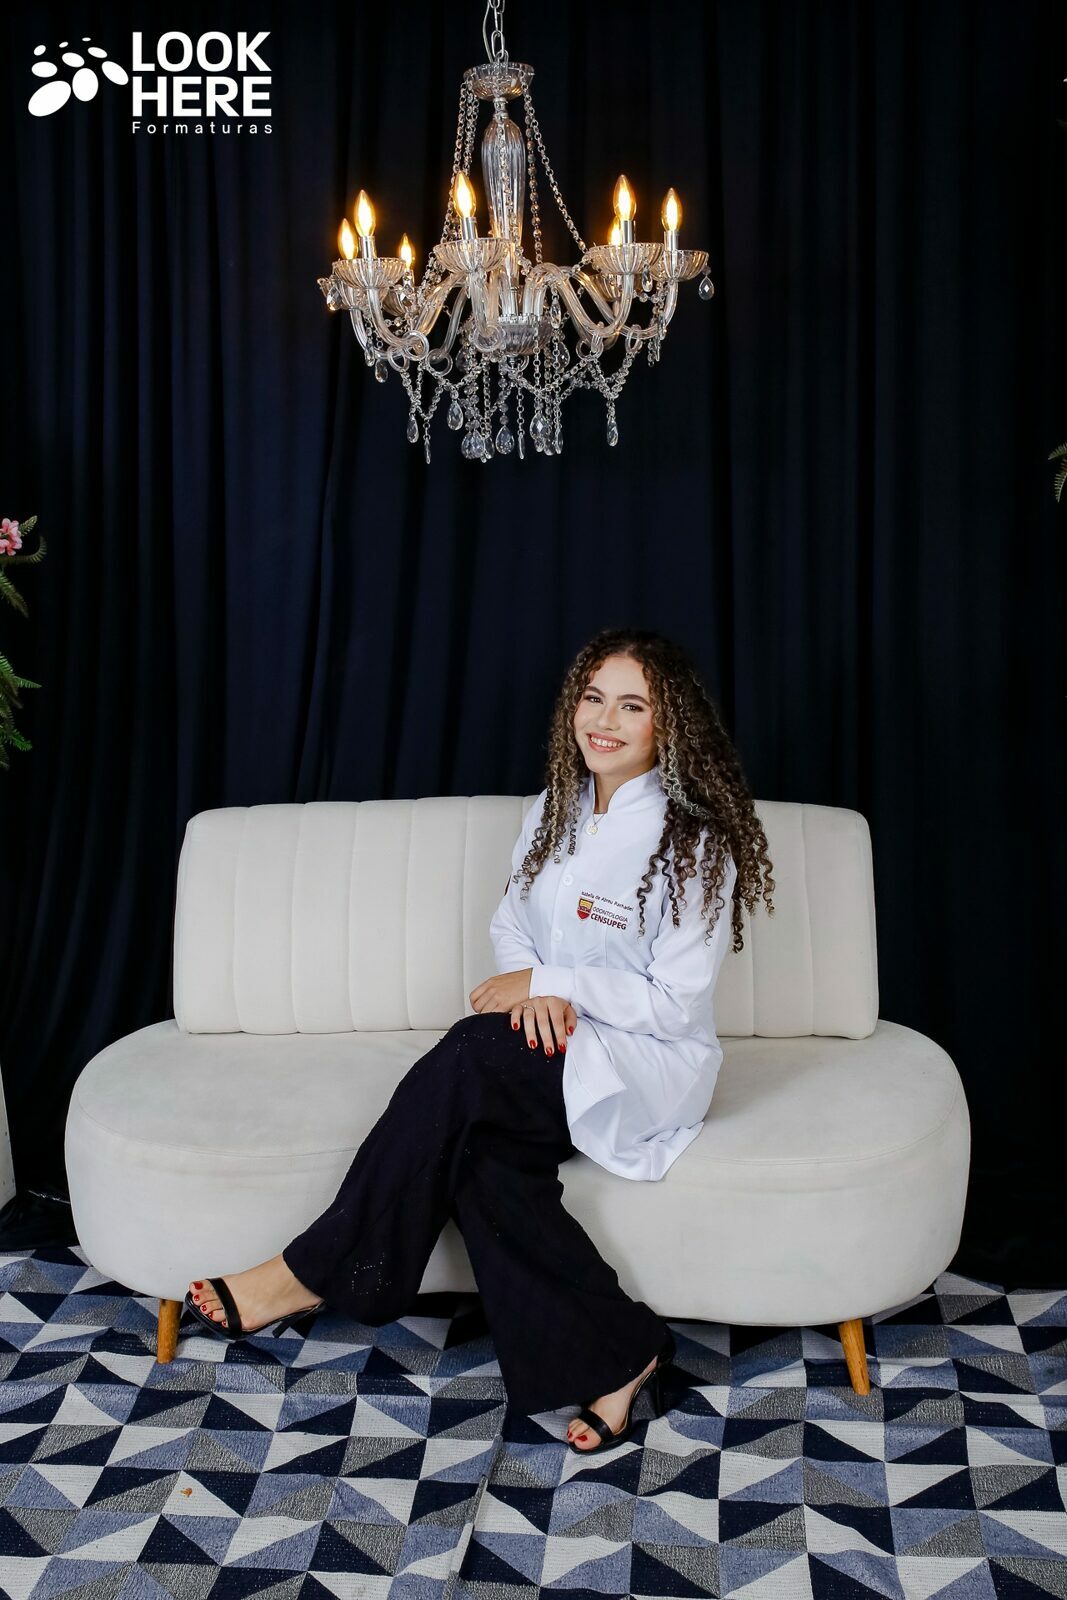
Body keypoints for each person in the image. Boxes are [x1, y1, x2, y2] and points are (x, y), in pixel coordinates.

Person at [183, 626, 775, 1453]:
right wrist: (538, 992)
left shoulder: (694, 843)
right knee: (480, 1156)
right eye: (593, 697)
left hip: (648, 1063)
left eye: (632, 706)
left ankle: (306, 1272)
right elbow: (512, 927)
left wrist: (551, 987)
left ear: (668, 726)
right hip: (549, 1042)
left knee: (468, 1052)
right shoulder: (550, 812)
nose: (603, 720)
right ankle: (621, 1352)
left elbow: (674, 1004)